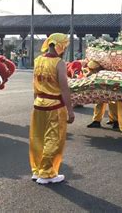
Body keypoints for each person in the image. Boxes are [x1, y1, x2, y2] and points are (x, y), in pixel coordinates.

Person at [29, 33, 74, 185]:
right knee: (53, 140)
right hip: (55, 106)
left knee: (37, 138)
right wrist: (70, 109)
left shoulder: (38, 60)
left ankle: (37, 170)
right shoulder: (59, 63)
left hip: (39, 104)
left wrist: (36, 100)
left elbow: (35, 84)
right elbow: (64, 88)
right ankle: (47, 173)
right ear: (60, 46)